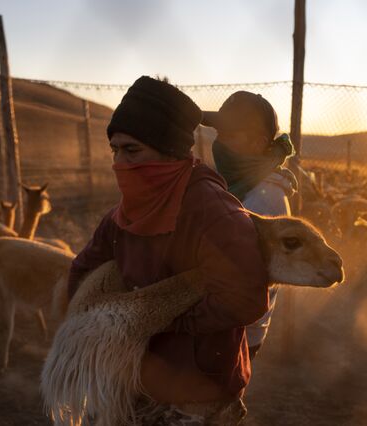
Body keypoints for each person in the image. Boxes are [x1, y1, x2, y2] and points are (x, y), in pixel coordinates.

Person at [67, 77, 269, 424]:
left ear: (170, 152)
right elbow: (82, 274)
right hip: (131, 379)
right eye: (114, 150)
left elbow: (246, 299)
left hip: (196, 392)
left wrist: (158, 316)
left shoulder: (214, 212)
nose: (120, 163)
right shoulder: (124, 214)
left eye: (132, 151)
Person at [203, 91, 297, 360]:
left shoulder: (262, 203)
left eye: (231, 134)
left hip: (236, 333)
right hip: (222, 326)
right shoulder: (236, 186)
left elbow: (240, 284)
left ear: (257, 142)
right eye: (220, 133)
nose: (220, 142)